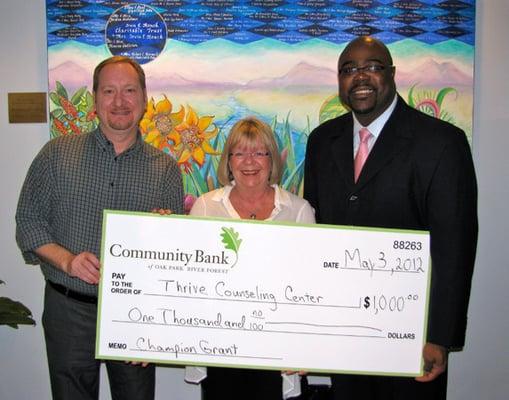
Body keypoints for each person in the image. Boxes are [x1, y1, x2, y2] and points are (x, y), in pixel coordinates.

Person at [304, 36, 478, 400]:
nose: (360, 77)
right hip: (344, 331)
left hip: (411, 339)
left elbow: (455, 249)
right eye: (348, 70)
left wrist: (439, 338)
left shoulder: (442, 143)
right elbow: (314, 235)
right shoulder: (322, 141)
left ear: (392, 74)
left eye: (372, 67)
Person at [16, 56, 184, 400]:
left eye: (129, 91)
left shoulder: (166, 169)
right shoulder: (56, 154)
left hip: (136, 313)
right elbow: (28, 222)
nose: (119, 101)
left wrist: (165, 234)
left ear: (144, 98)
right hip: (69, 309)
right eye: (109, 91)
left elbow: (173, 253)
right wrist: (67, 261)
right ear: (95, 99)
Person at [189, 116, 315, 399]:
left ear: (272, 160)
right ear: (228, 161)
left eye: (259, 152)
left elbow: (310, 284)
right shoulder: (206, 207)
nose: (249, 162)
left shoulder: (298, 211)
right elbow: (191, 278)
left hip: (279, 347)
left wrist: (308, 346)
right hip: (221, 347)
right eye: (240, 153)